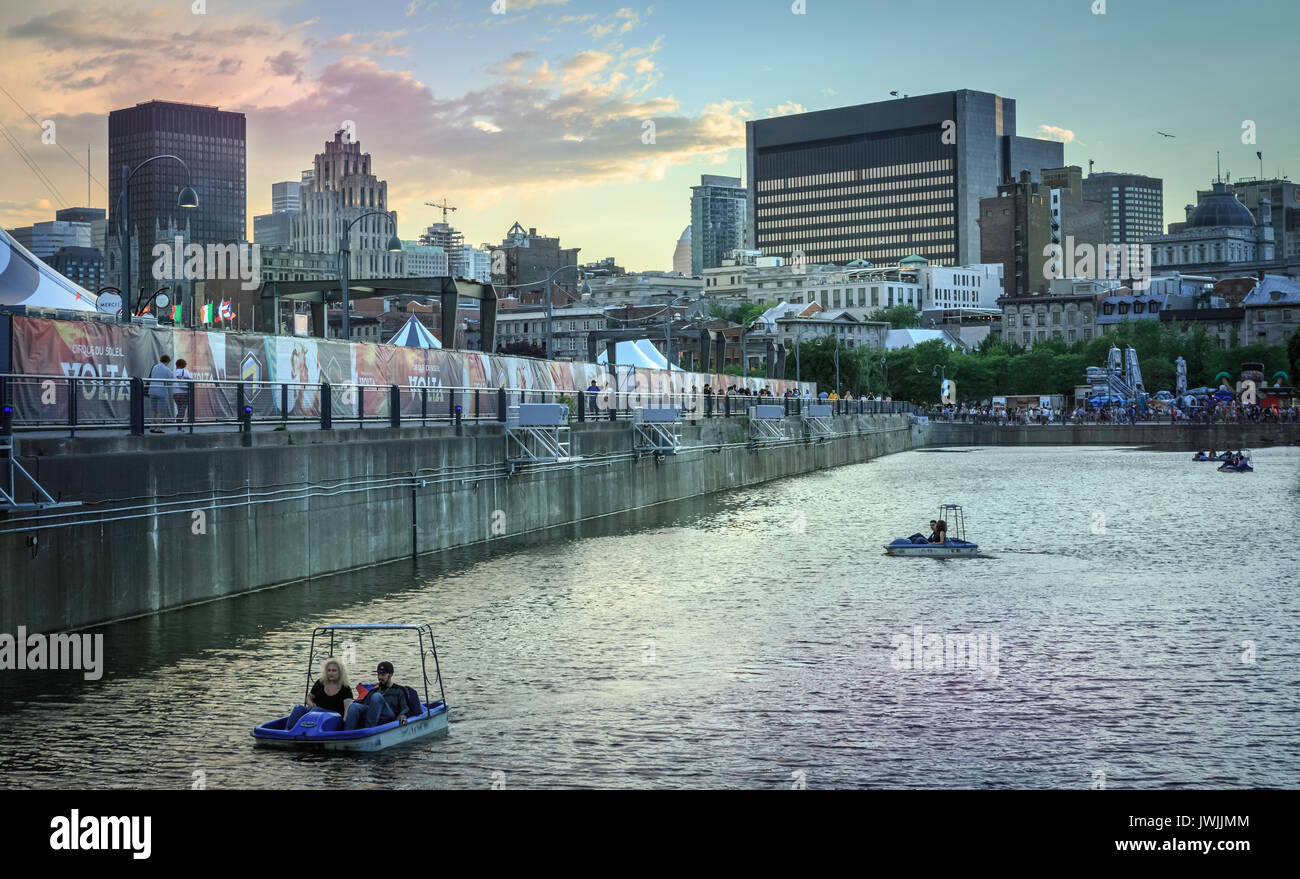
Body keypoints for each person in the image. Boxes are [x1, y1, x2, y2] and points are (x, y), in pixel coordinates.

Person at [285, 657, 354, 730]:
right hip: (315, 712)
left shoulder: (345, 688)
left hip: (333, 716)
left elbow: (348, 708)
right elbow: (309, 697)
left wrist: (344, 722)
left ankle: (310, 731)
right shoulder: (320, 683)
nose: (331, 673)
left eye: (334, 670)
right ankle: (288, 731)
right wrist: (311, 704)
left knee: (316, 711)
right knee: (298, 708)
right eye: (329, 670)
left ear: (340, 672)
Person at [344, 661, 412, 730]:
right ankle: (347, 734)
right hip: (374, 715)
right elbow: (364, 705)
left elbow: (405, 708)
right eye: (378, 674)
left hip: (389, 717)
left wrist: (402, 715)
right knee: (354, 706)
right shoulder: (373, 691)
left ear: (390, 675)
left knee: (377, 696)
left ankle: (369, 731)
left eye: (383, 674)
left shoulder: (399, 690)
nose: (380, 677)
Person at [147, 354, 174, 433]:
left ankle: (151, 427)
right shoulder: (167, 370)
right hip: (161, 391)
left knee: (153, 410)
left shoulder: (154, 367)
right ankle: (158, 428)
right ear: (167, 361)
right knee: (160, 411)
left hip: (152, 390)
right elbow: (170, 382)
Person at [172, 358, 194, 430]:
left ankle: (179, 427)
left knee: (179, 408)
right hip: (184, 393)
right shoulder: (185, 371)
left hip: (175, 393)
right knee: (182, 410)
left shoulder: (173, 372)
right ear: (184, 365)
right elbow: (191, 380)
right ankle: (178, 421)